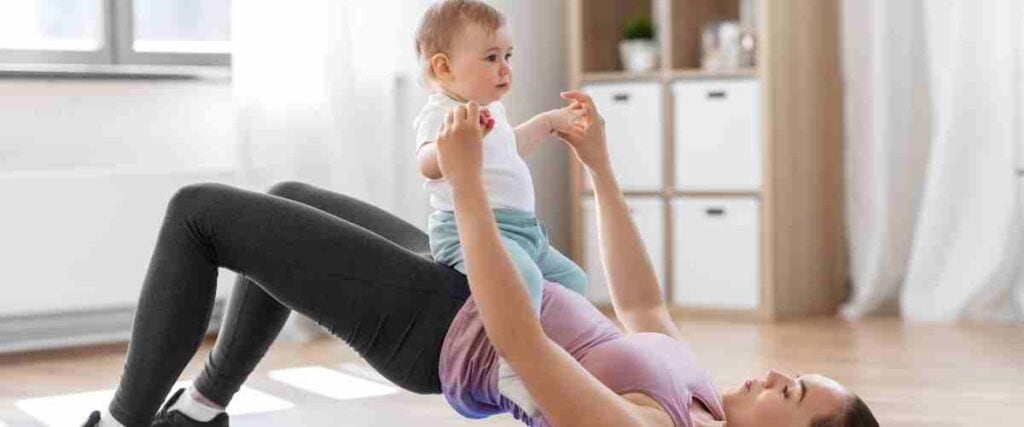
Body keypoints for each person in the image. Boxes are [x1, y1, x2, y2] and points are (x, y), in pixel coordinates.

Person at [80, 90, 878, 427]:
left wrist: (467, 187)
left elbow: (523, 344)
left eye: (794, 392)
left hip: (442, 329)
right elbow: (640, 303)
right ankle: (201, 411)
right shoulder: (697, 394)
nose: (777, 372)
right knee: (289, 193)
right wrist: (598, 164)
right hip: (463, 283)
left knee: (199, 216)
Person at [412, 0, 589, 415]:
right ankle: (512, 367)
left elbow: (510, 151)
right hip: (468, 233)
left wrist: (546, 123)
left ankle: (563, 357)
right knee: (523, 277)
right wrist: (454, 144)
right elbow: (425, 163)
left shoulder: (492, 111)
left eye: (508, 56)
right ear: (444, 69)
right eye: (491, 58)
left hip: (524, 232)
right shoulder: (444, 114)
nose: (506, 68)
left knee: (575, 283)